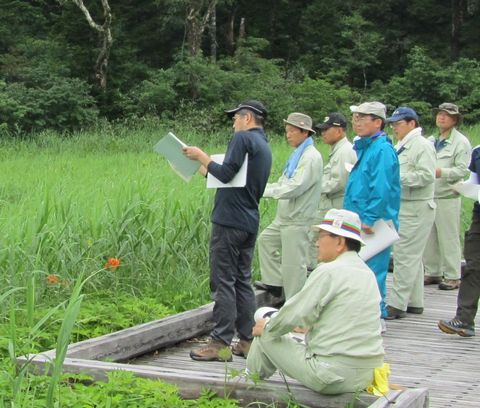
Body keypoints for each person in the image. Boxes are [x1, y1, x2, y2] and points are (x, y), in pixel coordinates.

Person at [246, 209, 384, 395]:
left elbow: (290, 316)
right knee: (273, 328)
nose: (316, 243)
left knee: (266, 330)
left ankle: (247, 384)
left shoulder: (328, 271)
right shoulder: (367, 274)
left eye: (322, 236)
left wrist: (266, 328)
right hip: (365, 376)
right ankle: (251, 380)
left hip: (331, 374)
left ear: (340, 242)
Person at [183, 100, 272, 361]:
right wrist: (197, 164)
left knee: (223, 281)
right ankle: (246, 340)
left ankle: (220, 342)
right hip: (248, 220)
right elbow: (228, 177)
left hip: (229, 221)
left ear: (247, 119)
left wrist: (201, 155)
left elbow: (224, 174)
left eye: (235, 118)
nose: (233, 123)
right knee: (242, 280)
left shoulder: (242, 139)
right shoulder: (263, 146)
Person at [343, 101, 400, 324]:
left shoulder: (382, 149)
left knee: (373, 271)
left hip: (374, 222)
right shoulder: (368, 146)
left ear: (378, 122)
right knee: (359, 270)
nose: (356, 122)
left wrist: (370, 217)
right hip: (359, 217)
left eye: (362, 118)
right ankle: (361, 317)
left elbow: (382, 186)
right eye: (355, 118)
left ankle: (376, 318)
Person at [255, 112, 323, 300]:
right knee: (266, 240)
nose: (288, 135)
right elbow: (283, 182)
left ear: (305, 132)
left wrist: (266, 192)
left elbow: (296, 186)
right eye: (287, 131)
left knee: (294, 264)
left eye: (293, 131)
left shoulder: (311, 157)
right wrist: (260, 188)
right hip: (285, 217)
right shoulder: (298, 154)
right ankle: (275, 283)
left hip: (298, 217)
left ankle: (294, 304)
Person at [384, 107, 436, 319]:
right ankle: (415, 301)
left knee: (404, 256)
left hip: (416, 206)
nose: (394, 127)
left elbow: (426, 175)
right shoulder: (403, 145)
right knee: (412, 255)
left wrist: (397, 178)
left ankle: (397, 304)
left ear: (412, 123)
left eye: (398, 123)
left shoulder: (421, 145)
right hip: (407, 205)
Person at [423, 103, 471, 290]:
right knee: (429, 237)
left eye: (447, 115)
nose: (442, 118)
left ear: (455, 119)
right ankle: (432, 272)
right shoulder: (431, 140)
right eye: (439, 114)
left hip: (448, 196)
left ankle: (453, 275)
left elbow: (462, 170)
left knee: (448, 237)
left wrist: (440, 172)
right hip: (429, 195)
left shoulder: (461, 142)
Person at [438, 145, 480, 337]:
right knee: (473, 266)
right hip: (479, 215)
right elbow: (474, 180)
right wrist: (463, 188)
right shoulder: (478, 151)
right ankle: (464, 319)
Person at [308, 112, 357, 269]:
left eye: (326, 129)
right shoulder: (338, 150)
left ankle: (314, 274)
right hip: (329, 204)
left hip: (335, 205)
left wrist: (313, 188)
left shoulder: (345, 151)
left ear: (339, 130)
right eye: (322, 130)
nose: (323, 133)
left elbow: (338, 183)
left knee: (315, 240)